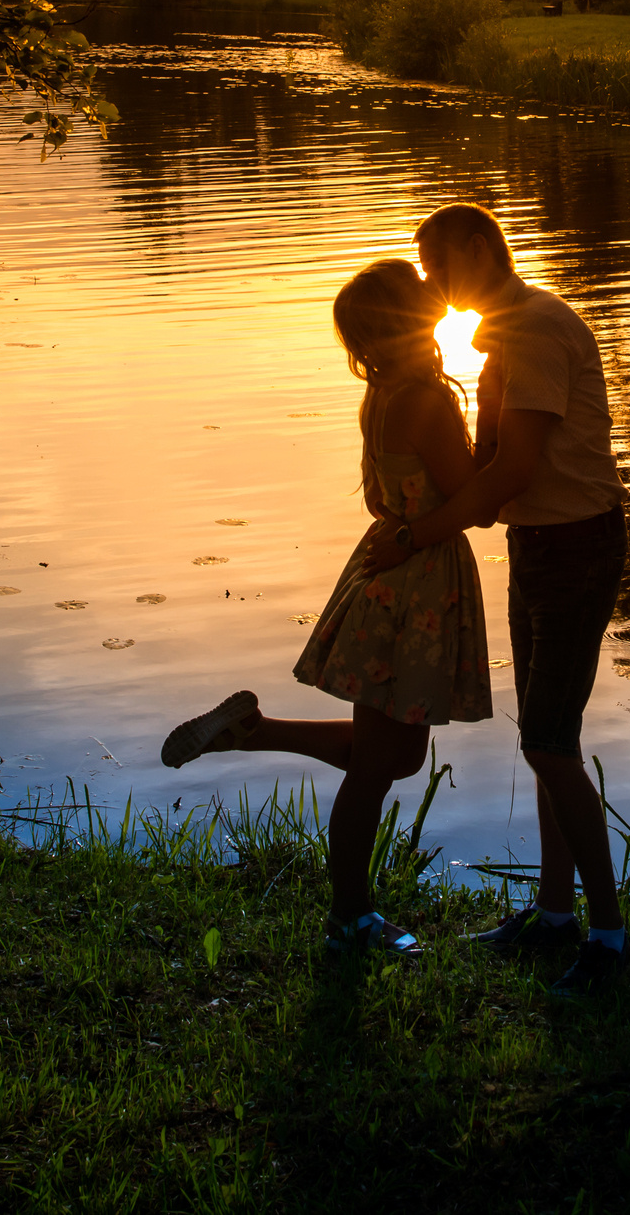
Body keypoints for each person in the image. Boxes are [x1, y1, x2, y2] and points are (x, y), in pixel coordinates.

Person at [160, 258, 492, 956]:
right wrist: (497, 418)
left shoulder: (388, 395)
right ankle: (350, 919)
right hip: (418, 582)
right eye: (421, 294)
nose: (436, 295)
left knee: (393, 757)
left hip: (391, 572)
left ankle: (254, 730)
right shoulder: (426, 400)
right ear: (406, 319)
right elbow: (473, 498)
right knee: (379, 768)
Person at [365, 202, 630, 996]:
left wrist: (418, 537)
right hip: (540, 544)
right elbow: (489, 466)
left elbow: (508, 476)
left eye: (436, 263)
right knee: (549, 740)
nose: (428, 280)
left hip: (577, 546)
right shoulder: (503, 336)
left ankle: (610, 939)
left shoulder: (533, 331)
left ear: (479, 250)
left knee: (548, 745)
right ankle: (555, 917)